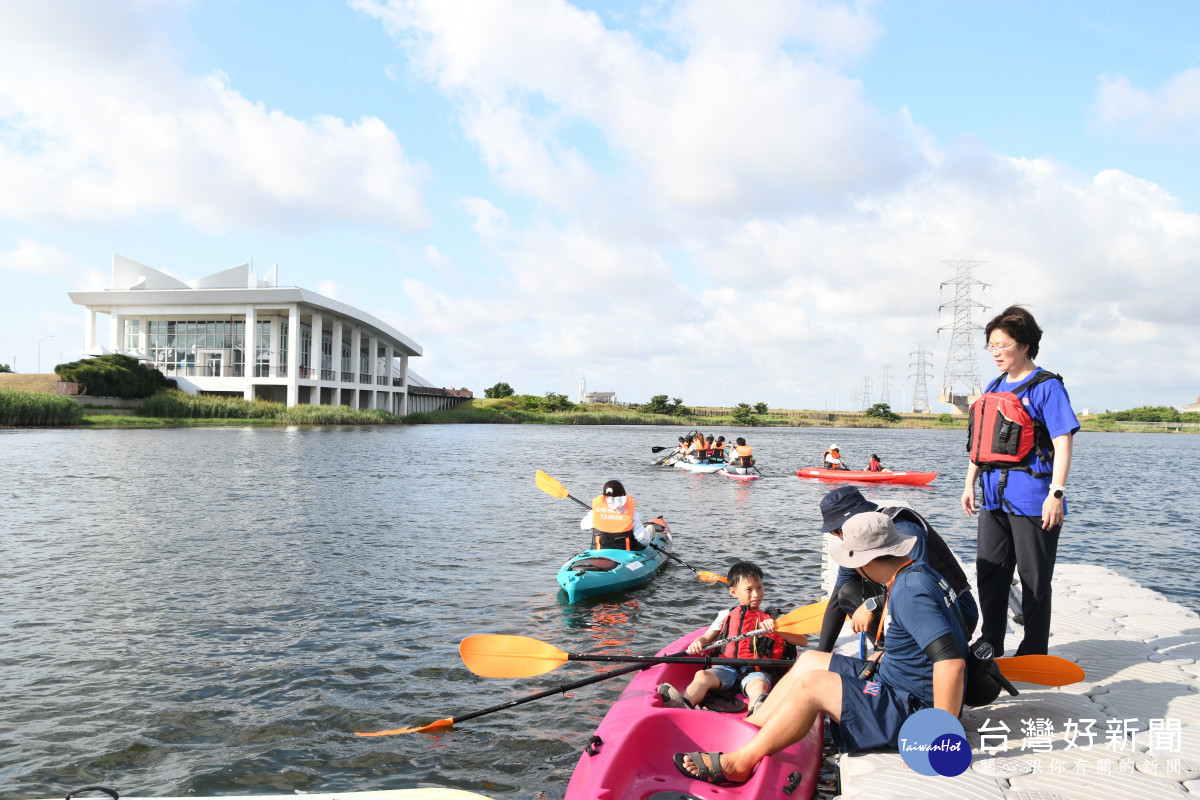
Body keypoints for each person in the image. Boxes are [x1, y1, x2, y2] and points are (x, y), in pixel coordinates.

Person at [673, 512, 967, 785]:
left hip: (909, 708)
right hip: (892, 683)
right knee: (811, 660)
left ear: (863, 561)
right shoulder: (913, 574)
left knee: (813, 686)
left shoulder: (909, 592)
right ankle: (751, 727)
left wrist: (939, 739)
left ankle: (740, 763)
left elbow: (951, 663)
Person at [962, 305, 1078, 657]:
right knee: (990, 573)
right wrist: (969, 483)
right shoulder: (995, 385)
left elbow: (1063, 442)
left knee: (1034, 579)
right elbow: (981, 442)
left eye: (1003, 345)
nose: (996, 352)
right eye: (991, 346)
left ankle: (1033, 650)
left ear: (1025, 344)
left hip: (1033, 498)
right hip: (993, 497)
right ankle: (991, 642)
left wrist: (1056, 494)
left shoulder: (1047, 387)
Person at [816, 486, 978, 653]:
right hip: (918, 602)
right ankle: (885, 650)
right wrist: (821, 653)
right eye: (833, 533)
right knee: (848, 592)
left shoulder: (904, 529)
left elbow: (918, 586)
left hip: (959, 615)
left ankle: (897, 655)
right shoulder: (858, 540)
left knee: (871, 598)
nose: (839, 537)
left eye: (837, 531)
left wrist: (873, 604)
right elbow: (837, 599)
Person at [658, 562, 806, 715]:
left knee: (758, 685)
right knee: (702, 675)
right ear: (733, 592)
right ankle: (684, 704)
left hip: (756, 670)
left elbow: (802, 641)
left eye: (760, 587)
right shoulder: (725, 615)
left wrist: (777, 629)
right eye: (749, 589)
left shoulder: (774, 619)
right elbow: (706, 637)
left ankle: (757, 713)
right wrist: (697, 643)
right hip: (725, 667)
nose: (756, 594)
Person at [580, 479, 651, 551]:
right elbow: (642, 538)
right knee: (646, 534)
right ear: (623, 494)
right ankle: (650, 531)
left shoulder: (595, 512)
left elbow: (583, 526)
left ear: (604, 496)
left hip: (599, 550)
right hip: (626, 552)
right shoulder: (632, 514)